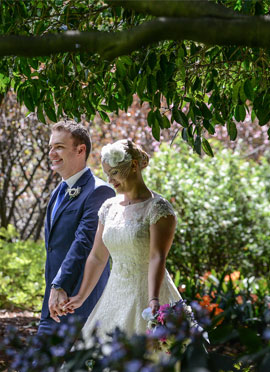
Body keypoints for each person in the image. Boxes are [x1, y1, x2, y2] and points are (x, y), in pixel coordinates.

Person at [64, 139, 182, 343]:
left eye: (115, 173)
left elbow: (157, 257)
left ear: (134, 166)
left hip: (146, 292)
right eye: (107, 174)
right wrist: (81, 296)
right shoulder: (108, 207)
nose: (110, 180)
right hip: (114, 294)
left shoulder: (158, 208)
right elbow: (98, 257)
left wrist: (153, 299)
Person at [38, 120, 115, 335]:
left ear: (80, 150)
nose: (52, 153)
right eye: (51, 147)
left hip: (81, 304)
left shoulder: (99, 192)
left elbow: (84, 243)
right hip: (53, 302)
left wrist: (61, 285)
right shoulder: (57, 192)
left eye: (59, 147)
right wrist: (53, 289)